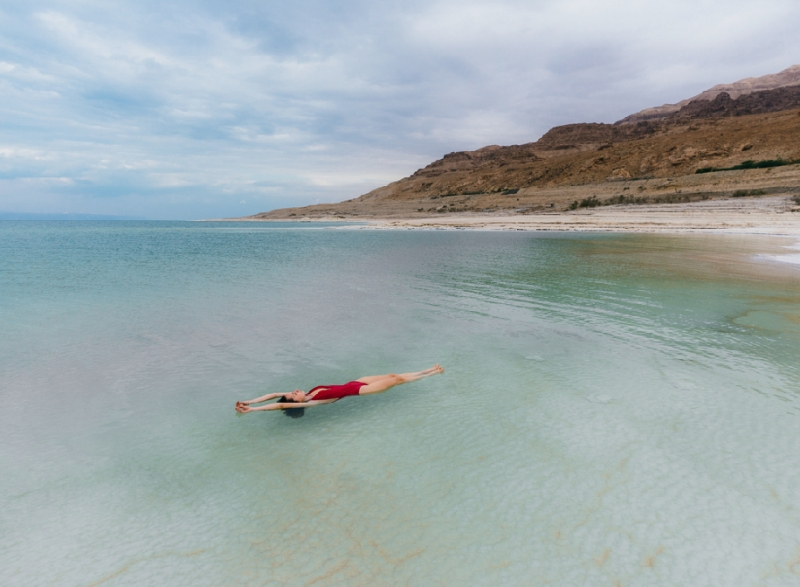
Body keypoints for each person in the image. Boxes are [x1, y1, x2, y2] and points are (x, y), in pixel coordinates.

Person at [235, 364, 444, 417]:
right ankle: (432, 374)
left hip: (355, 382)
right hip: (361, 391)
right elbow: (279, 403)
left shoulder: (309, 392)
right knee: (397, 380)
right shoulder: (313, 402)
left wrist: (249, 401)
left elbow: (273, 395)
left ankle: (428, 369)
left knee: (391, 375)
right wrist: (253, 411)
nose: (295, 390)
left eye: (292, 391)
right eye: (294, 394)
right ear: (297, 402)